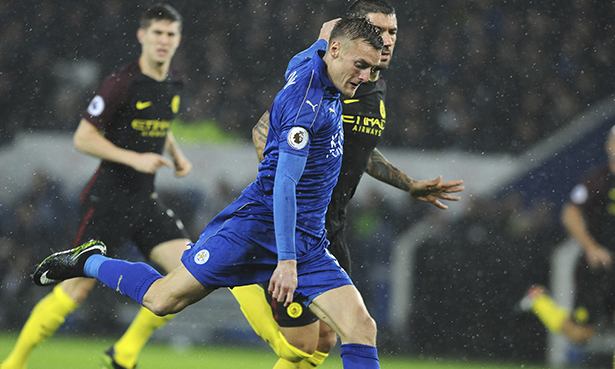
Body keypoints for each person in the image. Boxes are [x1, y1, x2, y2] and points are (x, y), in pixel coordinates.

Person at [32, 15, 385, 369]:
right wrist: (287, 262)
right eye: (360, 66)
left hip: (307, 239)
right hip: (254, 230)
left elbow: (326, 31)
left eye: (371, 68)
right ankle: (89, 261)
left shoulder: (310, 60)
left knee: (360, 327)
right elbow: (285, 184)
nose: (366, 77)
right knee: (162, 300)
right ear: (336, 51)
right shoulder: (304, 108)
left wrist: (352, 24)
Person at [230, 1, 465, 368]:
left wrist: (409, 185)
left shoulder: (371, 87)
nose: (386, 40)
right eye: (377, 31)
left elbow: (358, 150)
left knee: (327, 338)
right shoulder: (326, 80)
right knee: (300, 344)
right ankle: (243, 281)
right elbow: (264, 130)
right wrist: (284, 190)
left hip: (334, 225)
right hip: (302, 225)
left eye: (392, 32)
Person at [0, 4, 192, 369]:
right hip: (108, 199)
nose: (164, 40)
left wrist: (176, 155)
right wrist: (134, 159)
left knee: (189, 277)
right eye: (157, 33)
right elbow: (84, 138)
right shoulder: (121, 82)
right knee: (77, 287)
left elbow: (157, 123)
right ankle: (12, 363)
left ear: (178, 38)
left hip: (145, 200)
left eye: (170, 34)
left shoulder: (174, 82)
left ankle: (125, 353)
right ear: (142, 36)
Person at [518, 123, 615, 369]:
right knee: (581, 334)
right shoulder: (598, 179)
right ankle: (538, 299)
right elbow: (569, 214)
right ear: (609, 147)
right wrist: (592, 247)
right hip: (593, 267)